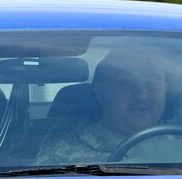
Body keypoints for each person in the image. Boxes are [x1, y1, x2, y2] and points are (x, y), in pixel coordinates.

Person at [39, 48, 171, 162]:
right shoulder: (59, 156)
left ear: (166, 89)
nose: (141, 95)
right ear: (101, 92)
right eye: (126, 83)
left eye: (153, 83)